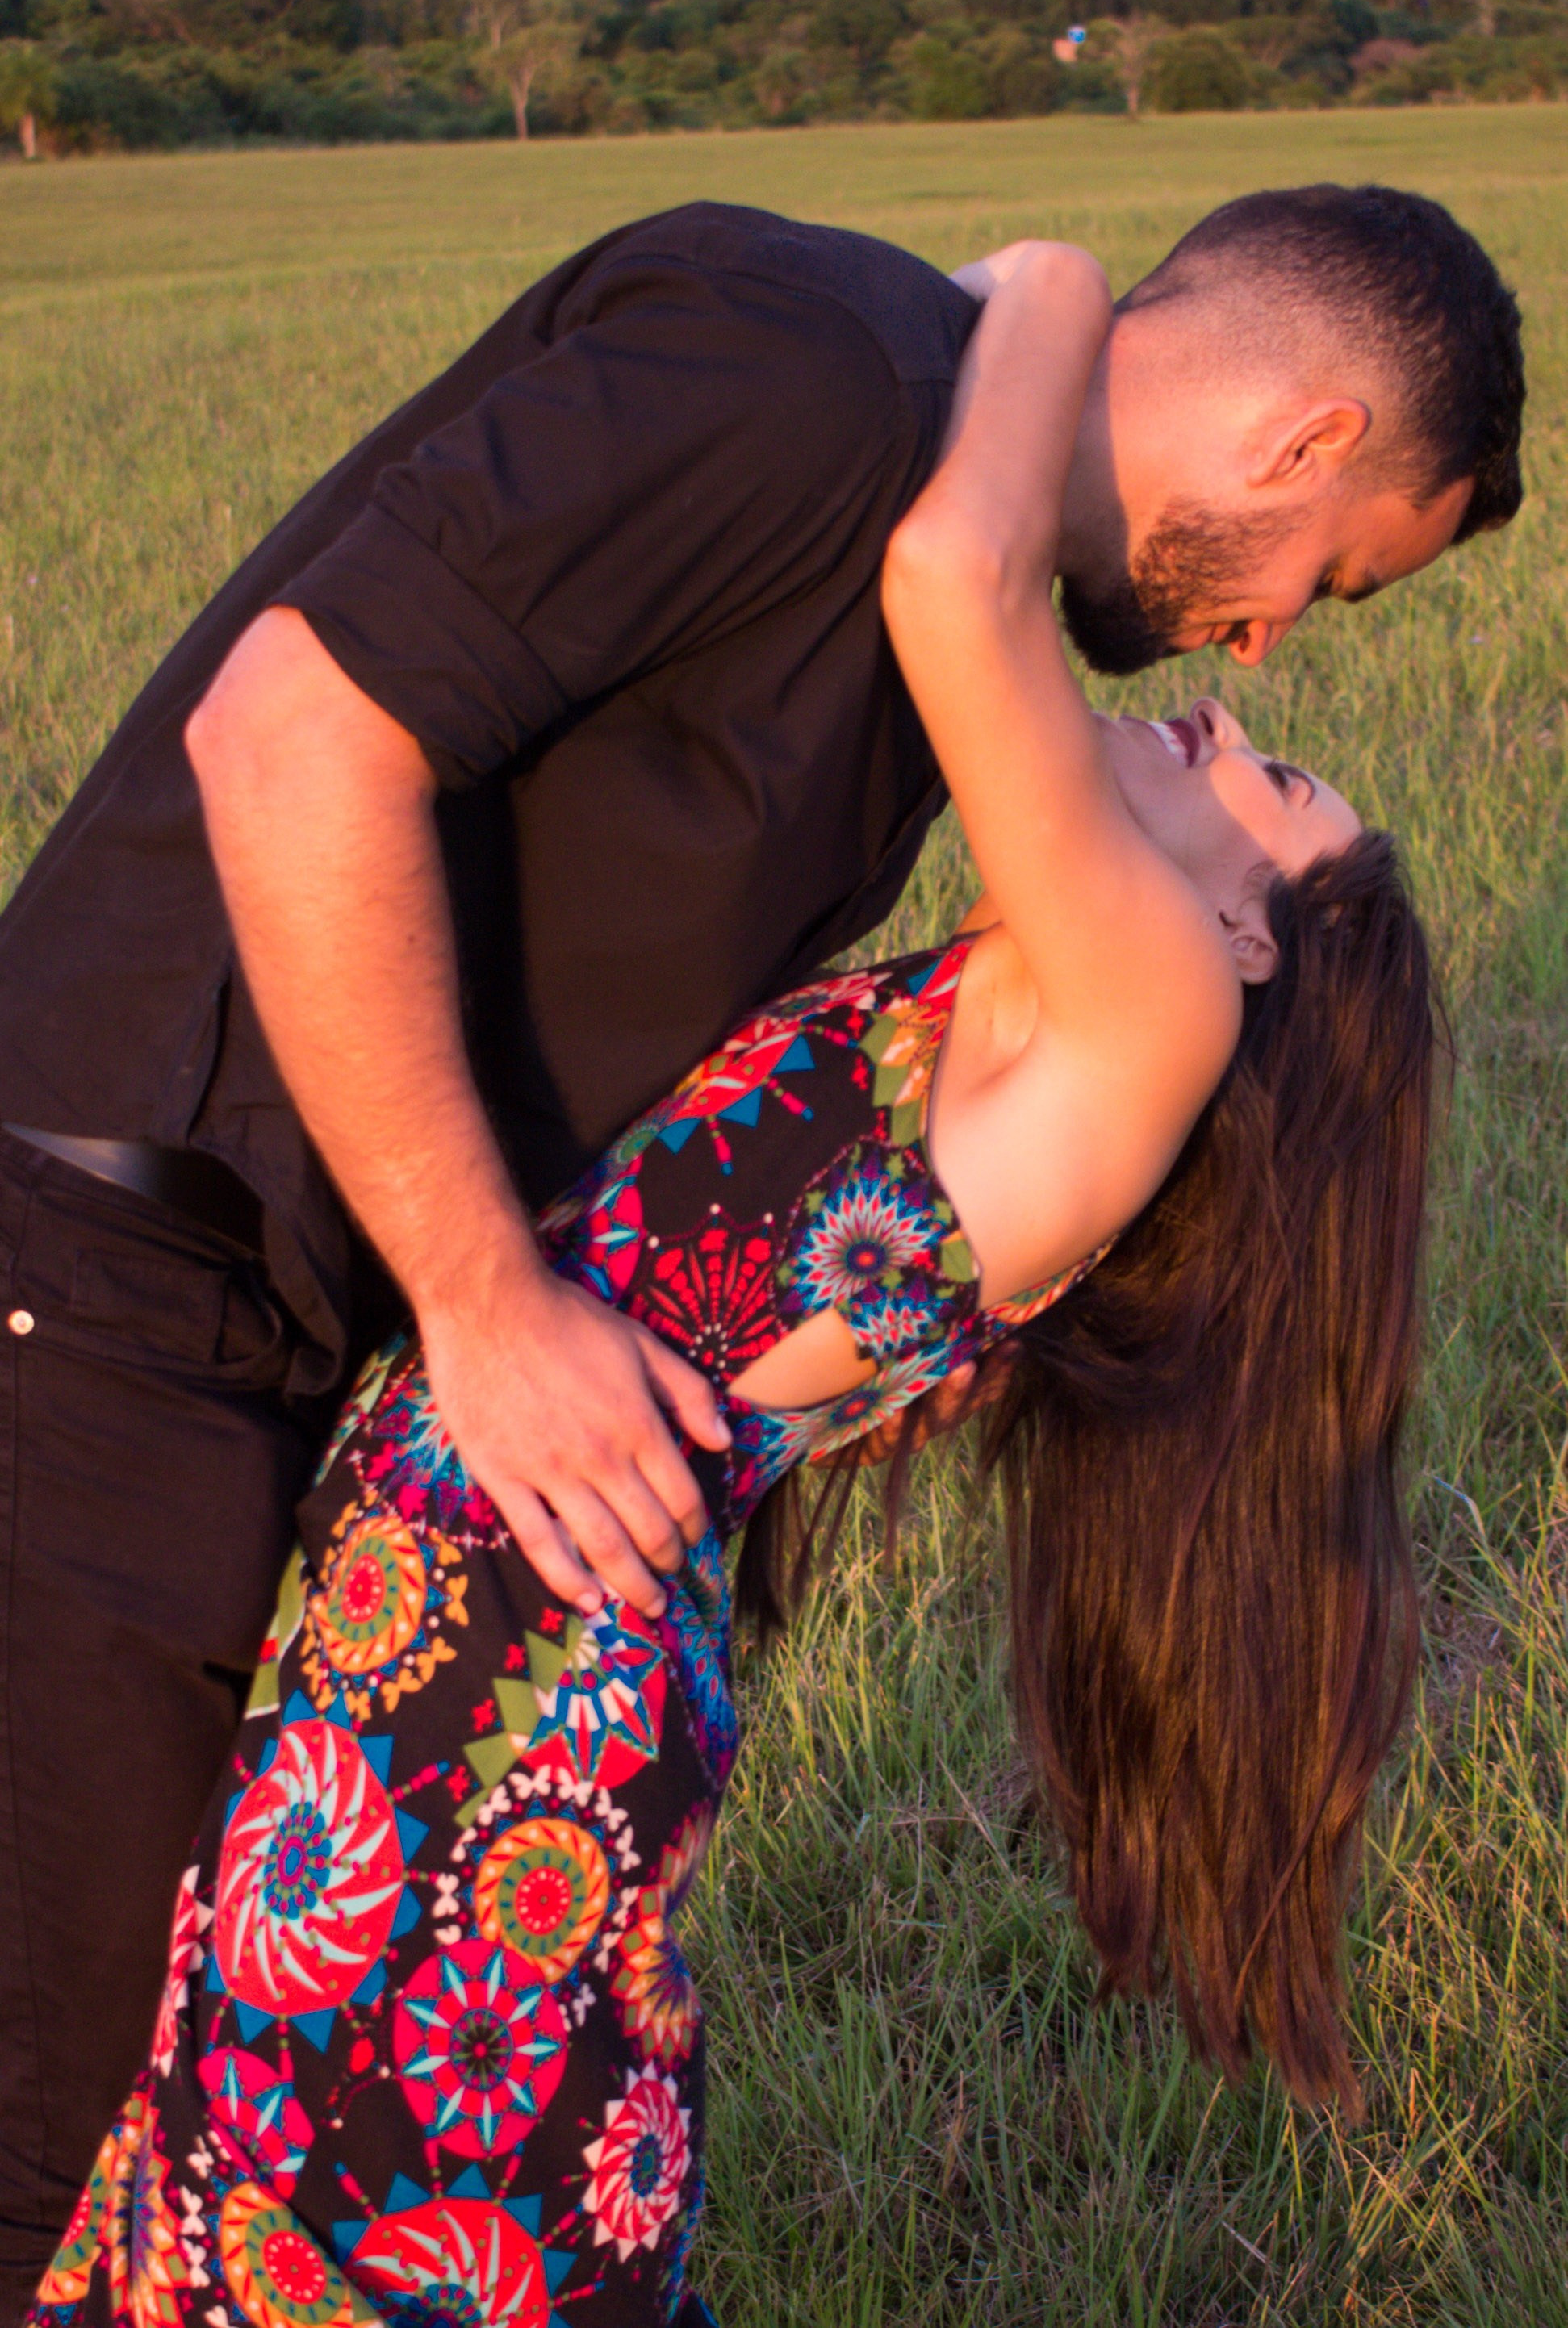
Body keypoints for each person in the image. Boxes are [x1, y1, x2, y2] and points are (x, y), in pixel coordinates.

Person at [0, 186, 1521, 2318]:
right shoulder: (834, 415)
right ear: (1303, 436)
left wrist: (1057, 293)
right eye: (1325, 580)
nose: (1252, 665)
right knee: (149, 2168)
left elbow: (963, 575)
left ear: (1254, 939)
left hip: (463, 1593)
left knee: (279, 2203)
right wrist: (474, 1295)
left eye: (1277, 749)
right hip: (181, 1344)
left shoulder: (1130, 983)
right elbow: (299, 732)